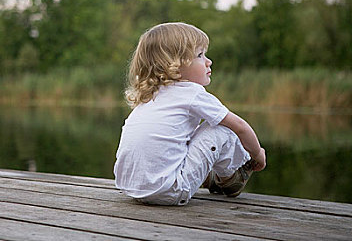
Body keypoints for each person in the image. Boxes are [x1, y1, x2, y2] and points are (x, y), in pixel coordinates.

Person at [114, 22, 266, 205]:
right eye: (200, 55)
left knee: (186, 133)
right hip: (170, 190)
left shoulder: (150, 96)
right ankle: (229, 178)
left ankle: (213, 175)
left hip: (132, 187)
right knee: (222, 129)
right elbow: (240, 127)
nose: (209, 61)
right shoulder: (192, 92)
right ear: (175, 66)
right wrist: (257, 154)